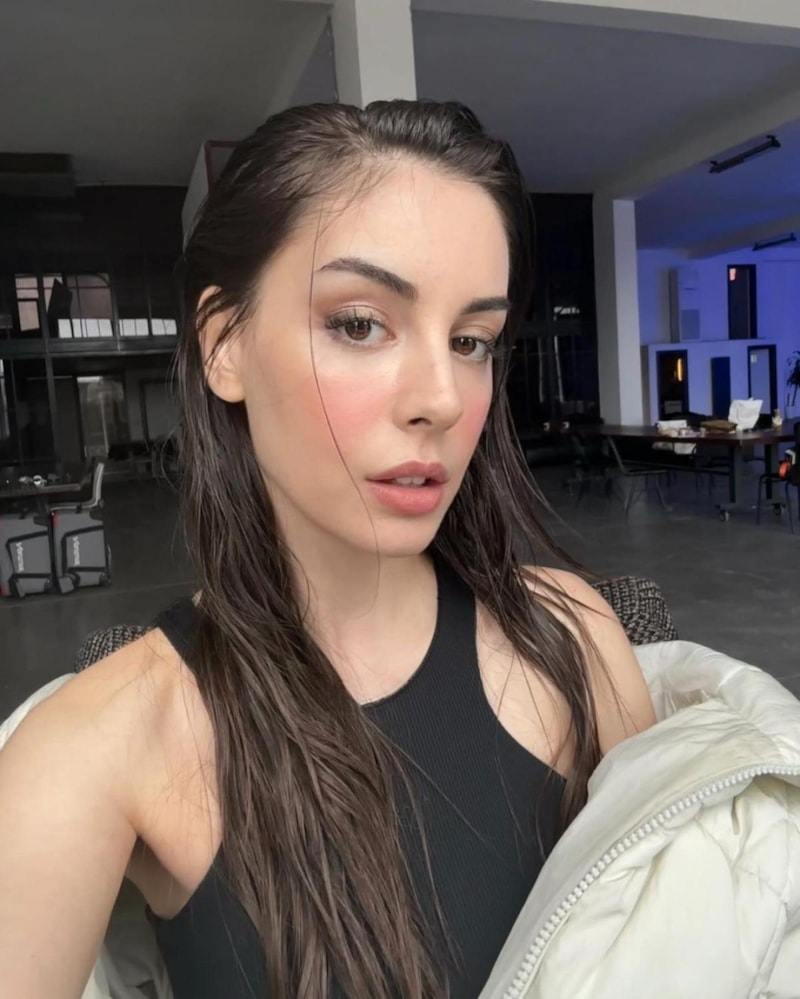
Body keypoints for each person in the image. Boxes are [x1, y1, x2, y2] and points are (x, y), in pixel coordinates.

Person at [0, 101, 798, 999]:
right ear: (224, 344)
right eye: (359, 323)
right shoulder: (92, 747)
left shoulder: (575, 641)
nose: (442, 398)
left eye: (471, 341)